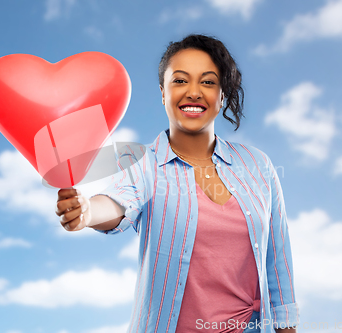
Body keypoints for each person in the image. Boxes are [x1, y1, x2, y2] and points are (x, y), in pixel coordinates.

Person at [56, 34, 299, 333]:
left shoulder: (258, 165)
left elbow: (278, 263)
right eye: (180, 81)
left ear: (222, 94)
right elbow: (119, 201)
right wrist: (87, 212)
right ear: (162, 92)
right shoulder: (143, 162)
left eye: (208, 82)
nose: (194, 92)